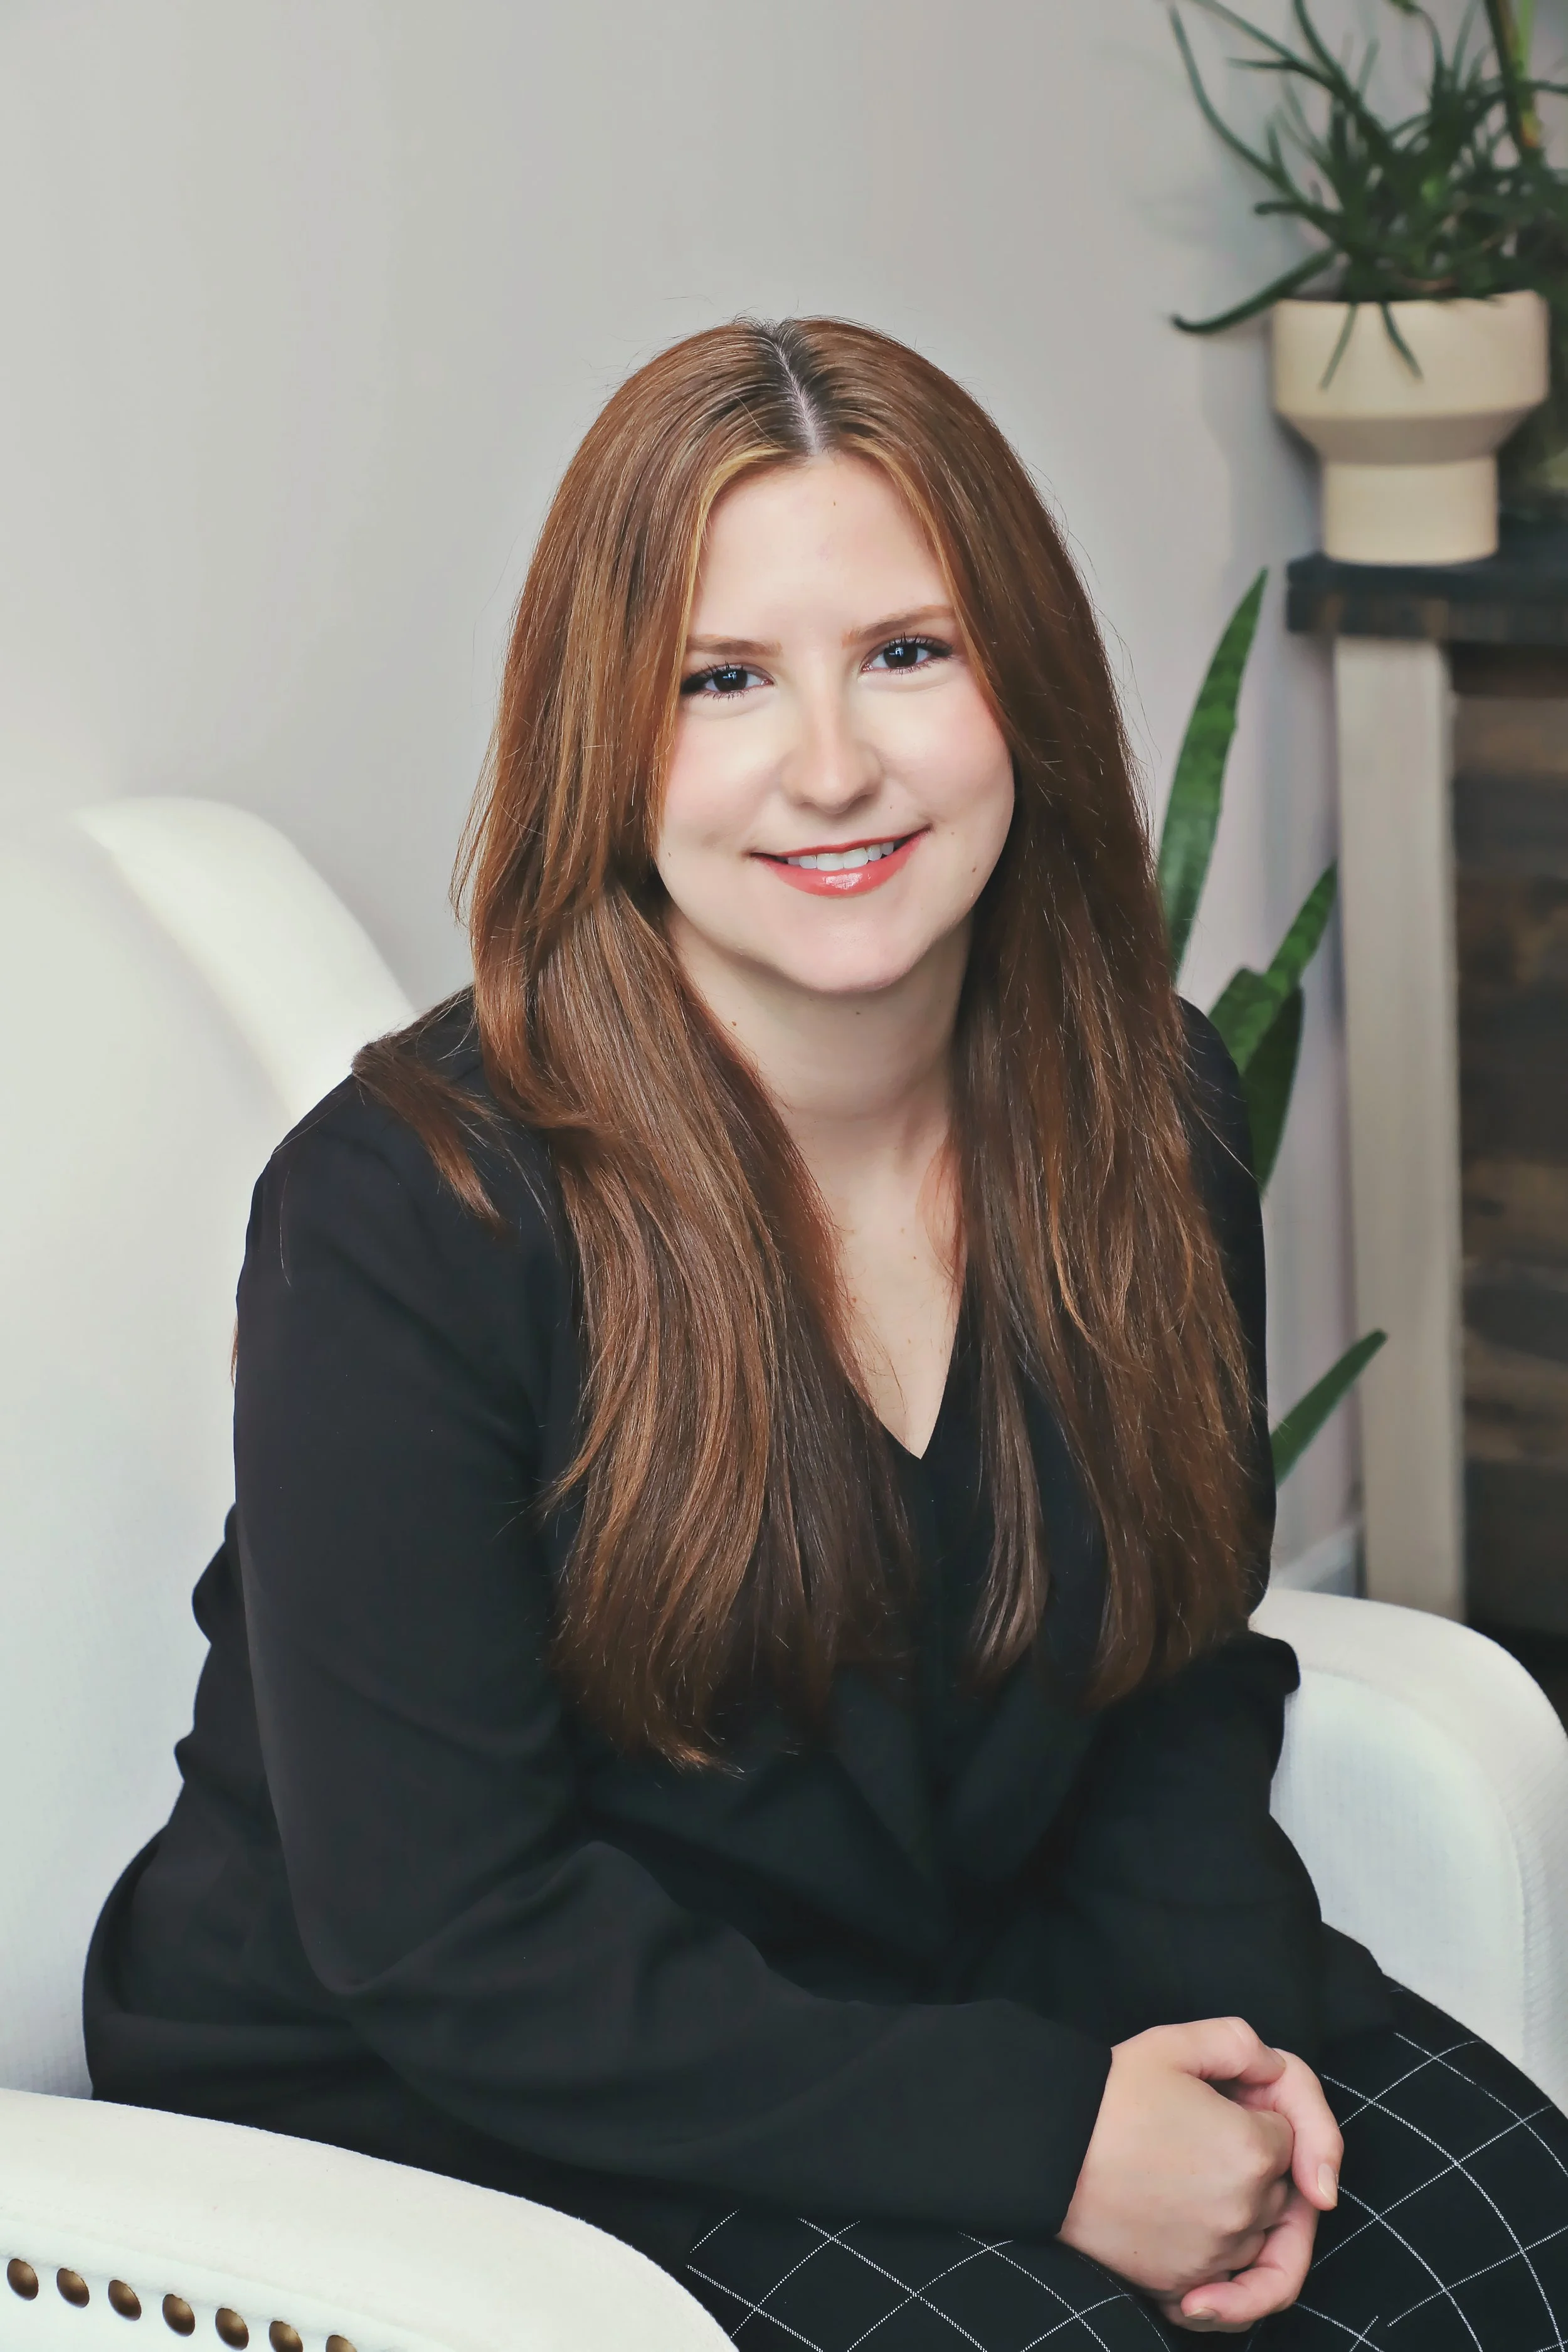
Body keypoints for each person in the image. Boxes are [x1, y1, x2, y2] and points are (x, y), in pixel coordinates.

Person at [86, 319, 1568, 2348]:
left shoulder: (1147, 1112)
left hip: (911, 1969)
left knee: (1501, 2231)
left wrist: (1223, 2055)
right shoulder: (405, 1211)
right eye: (721, 680)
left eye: (905, 652)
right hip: (440, 2077)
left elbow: (1164, 1683)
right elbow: (449, 1934)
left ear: (1021, 685)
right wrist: (1057, 2136)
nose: (831, 765)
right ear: (605, 743)